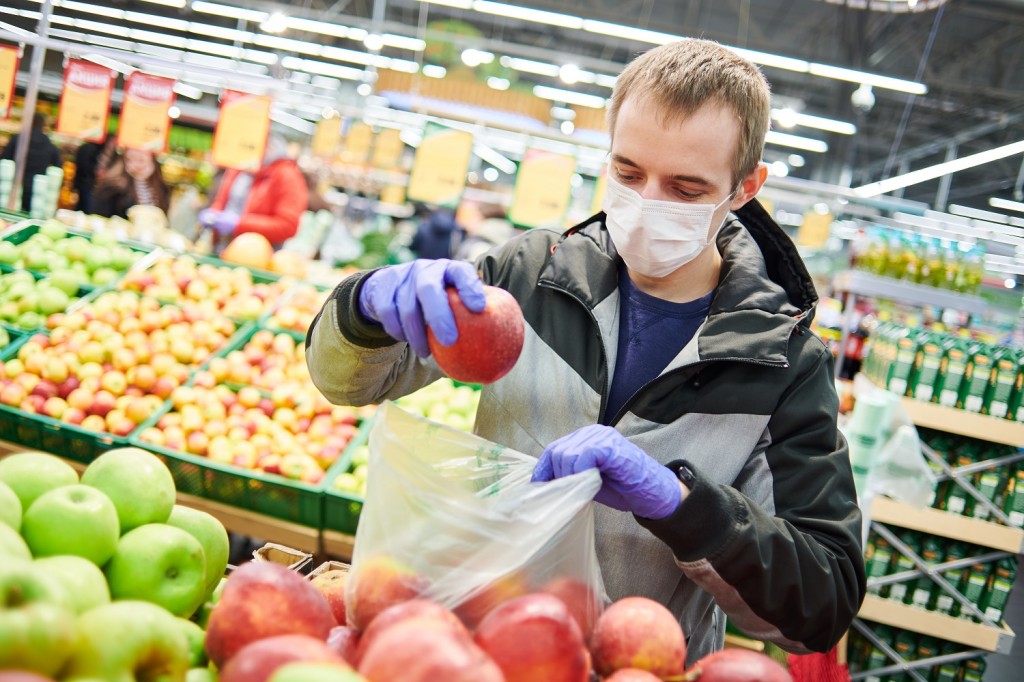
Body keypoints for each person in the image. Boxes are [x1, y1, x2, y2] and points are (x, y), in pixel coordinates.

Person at [305, 39, 864, 664]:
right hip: (478, 651)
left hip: (633, 667)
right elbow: (345, 383)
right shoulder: (529, 275)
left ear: (743, 188)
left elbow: (822, 602)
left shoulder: (783, 364)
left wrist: (684, 507)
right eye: (627, 173)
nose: (647, 202)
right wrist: (365, 309)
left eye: (685, 188)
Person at [199, 134, 309, 248]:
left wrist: (239, 224)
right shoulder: (239, 165)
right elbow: (224, 199)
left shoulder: (287, 175)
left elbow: (288, 225)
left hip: (257, 253)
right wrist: (214, 213)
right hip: (220, 246)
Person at [0, 113, 62, 214]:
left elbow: (4, 160)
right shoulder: (49, 144)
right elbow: (58, 168)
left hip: (14, 190)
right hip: (39, 193)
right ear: (43, 125)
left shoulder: (18, 139)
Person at [92, 148, 169, 219]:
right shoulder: (112, 188)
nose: (136, 165)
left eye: (141, 160)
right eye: (130, 159)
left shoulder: (162, 187)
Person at [453, 201, 517, 262]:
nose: (470, 221)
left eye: (475, 216)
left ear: (482, 217)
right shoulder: (508, 242)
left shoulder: (480, 247)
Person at [72, 137, 118, 214]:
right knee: (86, 209)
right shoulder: (91, 148)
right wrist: (96, 172)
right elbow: (84, 165)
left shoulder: (112, 154)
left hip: (90, 185)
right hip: (87, 185)